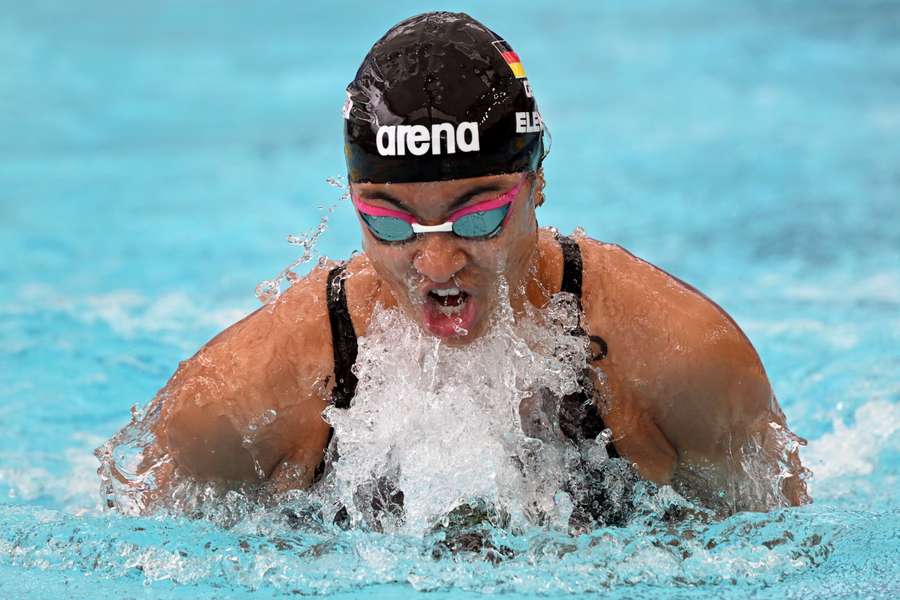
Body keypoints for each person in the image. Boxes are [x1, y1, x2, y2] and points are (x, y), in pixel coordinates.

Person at [103, 12, 809, 521]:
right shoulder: (244, 399)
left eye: (476, 218)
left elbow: (791, 555)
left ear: (535, 183)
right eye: (390, 224)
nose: (435, 264)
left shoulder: (680, 362)